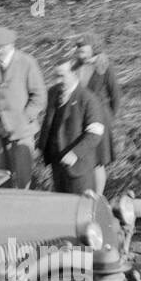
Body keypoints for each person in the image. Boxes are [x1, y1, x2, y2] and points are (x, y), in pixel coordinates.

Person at [0, 26, 45, 189]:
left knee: (23, 176)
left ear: (10, 46)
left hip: (22, 130)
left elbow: (40, 95)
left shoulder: (27, 62)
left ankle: (25, 207)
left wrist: (26, 117)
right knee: (1, 177)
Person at [39, 61, 108, 195]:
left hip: (79, 168)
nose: (58, 81)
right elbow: (48, 123)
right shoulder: (53, 93)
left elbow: (95, 133)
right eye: (55, 76)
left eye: (62, 76)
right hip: (57, 164)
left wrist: (75, 153)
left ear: (74, 74)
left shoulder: (88, 99)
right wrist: (40, 147)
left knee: (81, 207)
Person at [71, 32, 122, 196]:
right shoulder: (74, 66)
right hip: (79, 119)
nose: (80, 53)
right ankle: (83, 194)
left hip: (100, 119)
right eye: (79, 50)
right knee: (82, 158)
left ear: (93, 49)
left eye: (83, 50)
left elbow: (115, 95)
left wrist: (109, 118)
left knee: (98, 162)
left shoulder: (104, 66)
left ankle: (98, 197)